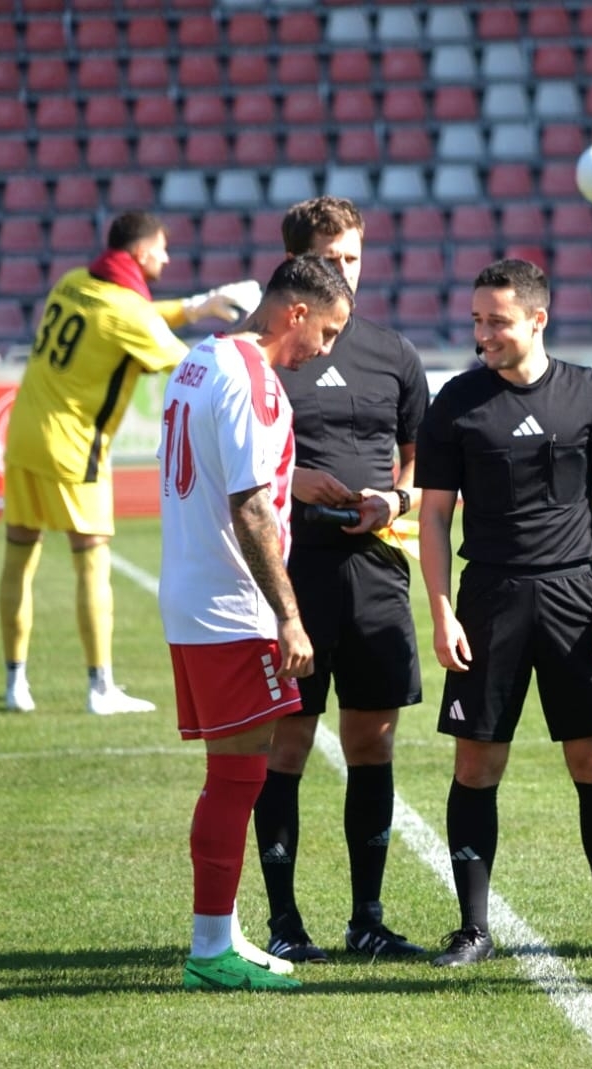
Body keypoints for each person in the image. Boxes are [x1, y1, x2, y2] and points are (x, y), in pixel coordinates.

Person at [414, 259, 592, 967]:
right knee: (476, 761)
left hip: (576, 599)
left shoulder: (590, 395)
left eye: (498, 321)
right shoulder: (456, 402)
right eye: (477, 320)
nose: (482, 333)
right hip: (488, 598)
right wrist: (441, 610)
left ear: (538, 319)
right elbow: (434, 517)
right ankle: (473, 929)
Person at [157, 256, 354, 992]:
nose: (324, 350)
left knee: (234, 771)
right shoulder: (253, 380)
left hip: (191, 591)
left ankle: (223, 932)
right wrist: (289, 615)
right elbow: (249, 505)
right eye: (326, 332)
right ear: (295, 312)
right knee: (238, 774)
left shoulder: (200, 360)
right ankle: (211, 948)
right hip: (231, 603)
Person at [250, 197, 430, 963]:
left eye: (353, 257)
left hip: (376, 569)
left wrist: (397, 497)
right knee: (286, 743)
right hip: (290, 574)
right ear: (298, 264)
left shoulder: (392, 352)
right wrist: (295, 483)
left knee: (372, 741)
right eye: (331, 259)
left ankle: (368, 919)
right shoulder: (268, 357)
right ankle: (284, 922)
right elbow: (239, 464)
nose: (345, 271)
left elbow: (422, 457)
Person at [0, 211, 261, 716]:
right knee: (91, 562)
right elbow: (191, 365)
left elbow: (130, 313)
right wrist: (251, 331)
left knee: (18, 558)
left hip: (24, 433)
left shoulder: (73, 282)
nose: (167, 257)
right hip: (74, 448)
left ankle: (16, 683)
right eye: (161, 249)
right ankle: (100, 688)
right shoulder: (127, 312)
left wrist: (196, 306)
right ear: (140, 253)